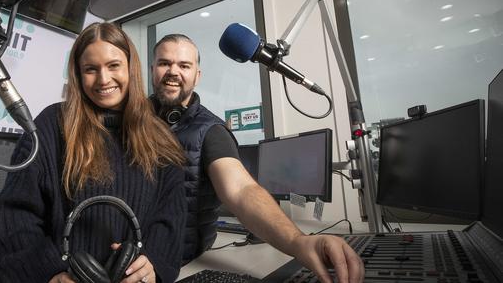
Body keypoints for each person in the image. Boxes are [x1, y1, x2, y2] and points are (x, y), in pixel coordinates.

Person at [150, 34, 365, 283]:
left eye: (184, 65)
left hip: (181, 266)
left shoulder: (211, 131)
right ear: (153, 69)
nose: (173, 71)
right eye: (165, 63)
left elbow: (242, 191)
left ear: (197, 76)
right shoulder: (130, 121)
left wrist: (298, 242)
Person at [0, 23, 187, 283]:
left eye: (114, 65)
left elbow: (170, 217)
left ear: (131, 68)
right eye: (91, 69)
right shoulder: (50, 125)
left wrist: (152, 264)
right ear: (78, 75)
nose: (104, 79)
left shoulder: (161, 136)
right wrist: (49, 274)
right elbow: (13, 216)